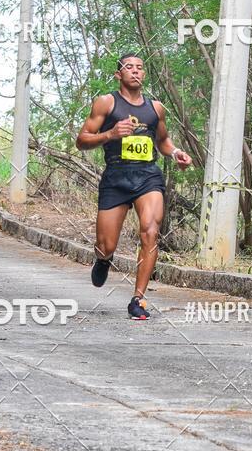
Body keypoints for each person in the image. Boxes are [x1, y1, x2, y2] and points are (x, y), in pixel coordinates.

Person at [76, 54, 192, 320]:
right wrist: (110, 134)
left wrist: (176, 154)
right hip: (116, 176)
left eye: (140, 68)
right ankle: (104, 259)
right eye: (129, 67)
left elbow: (162, 140)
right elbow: (81, 140)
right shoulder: (106, 103)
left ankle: (138, 299)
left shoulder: (156, 108)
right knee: (106, 244)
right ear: (119, 74)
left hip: (147, 176)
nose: (135, 72)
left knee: (151, 231)